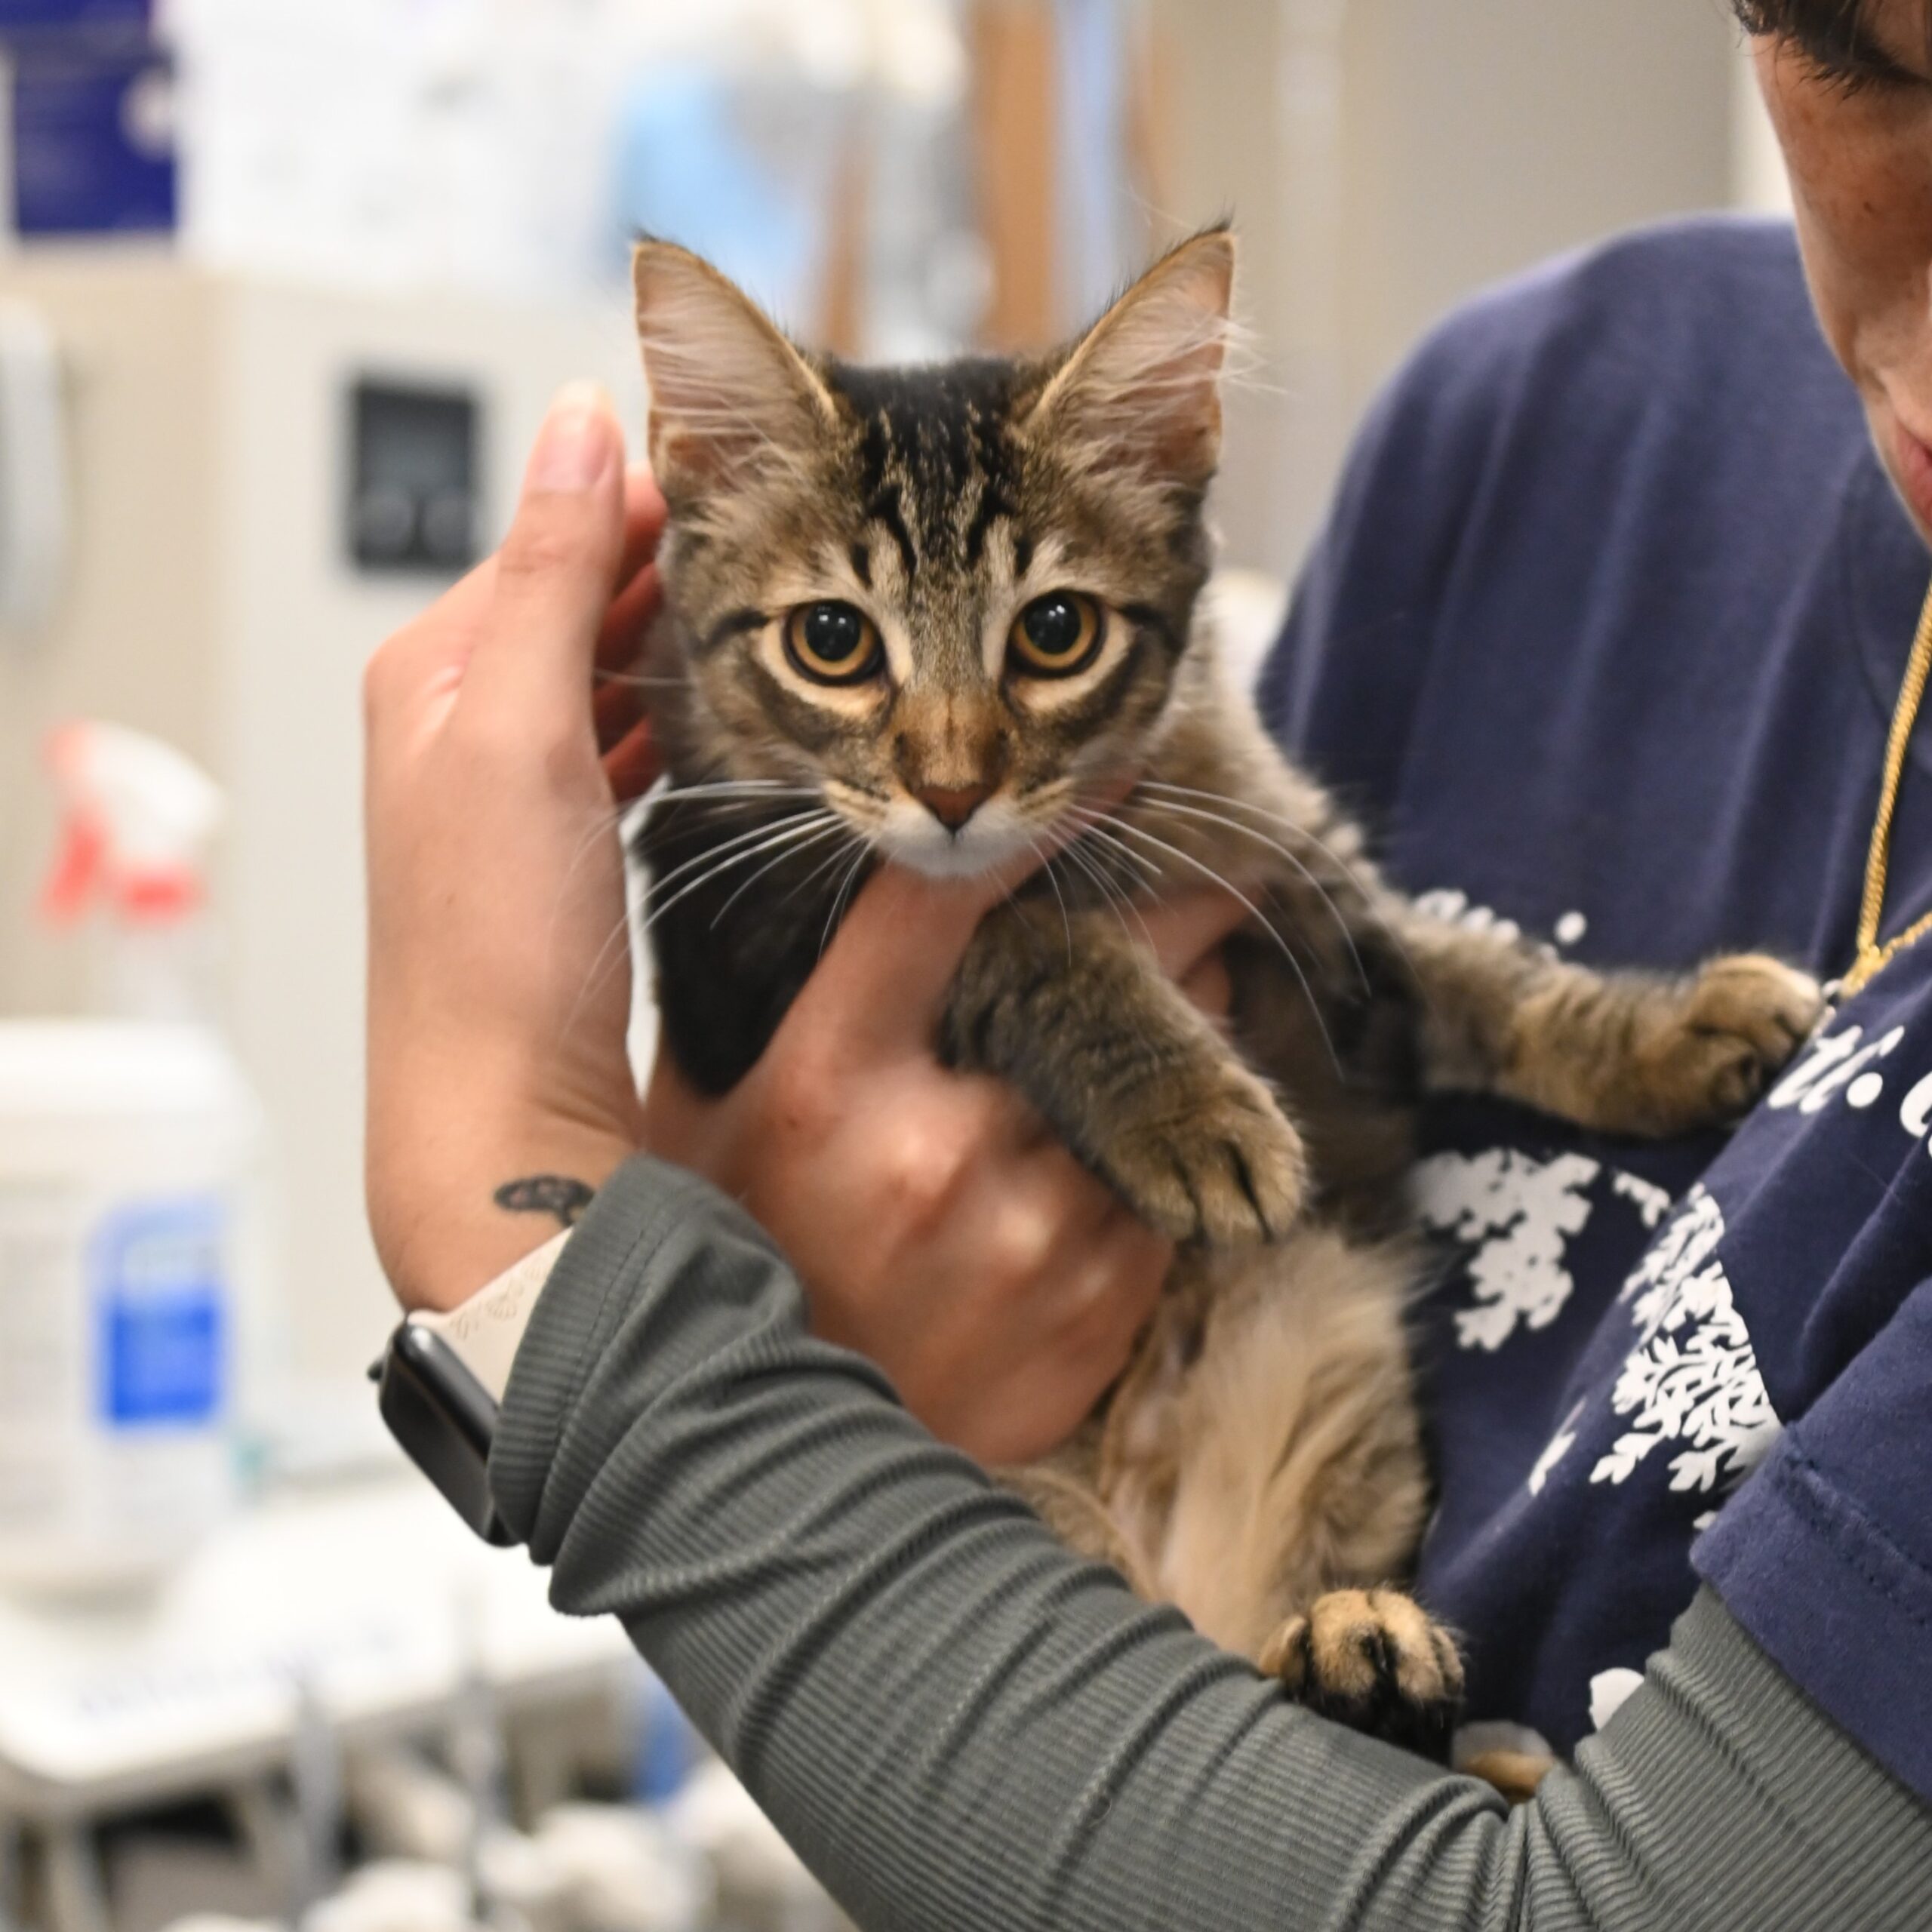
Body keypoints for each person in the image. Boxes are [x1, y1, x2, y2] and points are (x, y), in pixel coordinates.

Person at [362, 3, 1932, 1924]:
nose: (947, 767)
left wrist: (520, 1201)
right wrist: (797, 1329)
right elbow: (1320, 989)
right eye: (1876, 60)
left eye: (1036, 647)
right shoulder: (1520, 427)